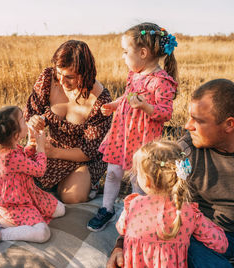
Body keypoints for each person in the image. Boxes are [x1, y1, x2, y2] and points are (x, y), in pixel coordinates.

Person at [107, 79, 234, 268]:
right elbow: (147, 206)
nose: (187, 126)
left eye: (198, 120)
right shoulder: (185, 152)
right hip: (199, 234)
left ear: (229, 124)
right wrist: (119, 246)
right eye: (190, 117)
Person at [87, 22, 179, 231]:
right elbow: (128, 96)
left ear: (143, 53)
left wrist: (146, 107)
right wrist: (114, 104)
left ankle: (139, 213)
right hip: (122, 135)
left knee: (140, 180)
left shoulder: (161, 81)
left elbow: (166, 113)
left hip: (143, 141)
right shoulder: (134, 75)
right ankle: (107, 209)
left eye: (126, 51)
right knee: (112, 173)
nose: (123, 56)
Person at [25, 40, 112, 204]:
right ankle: (55, 185)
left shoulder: (101, 100)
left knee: (72, 197)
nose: (63, 81)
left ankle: (87, 183)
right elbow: (30, 111)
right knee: (16, 182)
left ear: (86, 73)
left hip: (81, 159)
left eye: (70, 77)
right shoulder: (48, 78)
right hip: (49, 149)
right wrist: (33, 121)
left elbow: (89, 151)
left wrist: (54, 153)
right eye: (59, 73)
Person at [116, 140, 228, 267]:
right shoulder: (189, 211)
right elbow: (221, 244)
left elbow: (121, 228)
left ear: (147, 180)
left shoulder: (134, 205)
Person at [0, 106, 65, 251]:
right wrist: (40, 147)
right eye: (23, 120)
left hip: (27, 193)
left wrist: (31, 142)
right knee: (43, 233)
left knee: (60, 210)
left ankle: (13, 221)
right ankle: (0, 232)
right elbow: (39, 170)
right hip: (13, 203)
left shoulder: (8, 148)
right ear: (15, 135)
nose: (26, 120)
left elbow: (23, 158)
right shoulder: (9, 157)